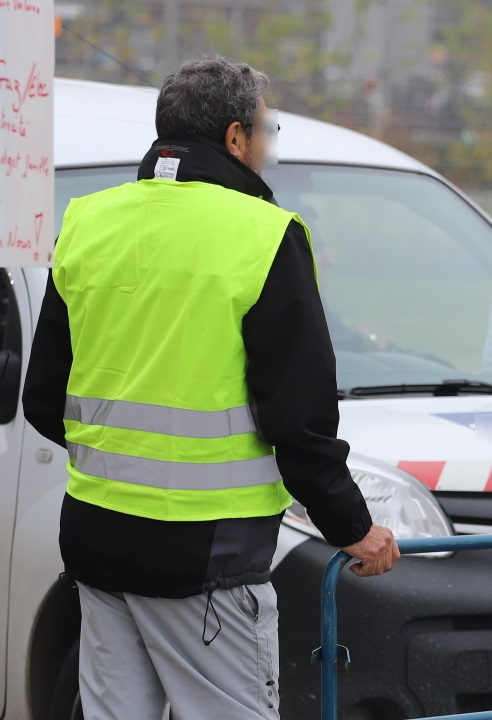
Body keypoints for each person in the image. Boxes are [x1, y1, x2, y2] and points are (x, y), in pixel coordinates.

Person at [21, 56, 399, 720]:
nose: (268, 147)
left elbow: (44, 398)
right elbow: (300, 421)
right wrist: (352, 527)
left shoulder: (86, 222)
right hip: (207, 559)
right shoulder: (262, 236)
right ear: (233, 137)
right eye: (266, 130)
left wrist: (124, 462)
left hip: (96, 540)